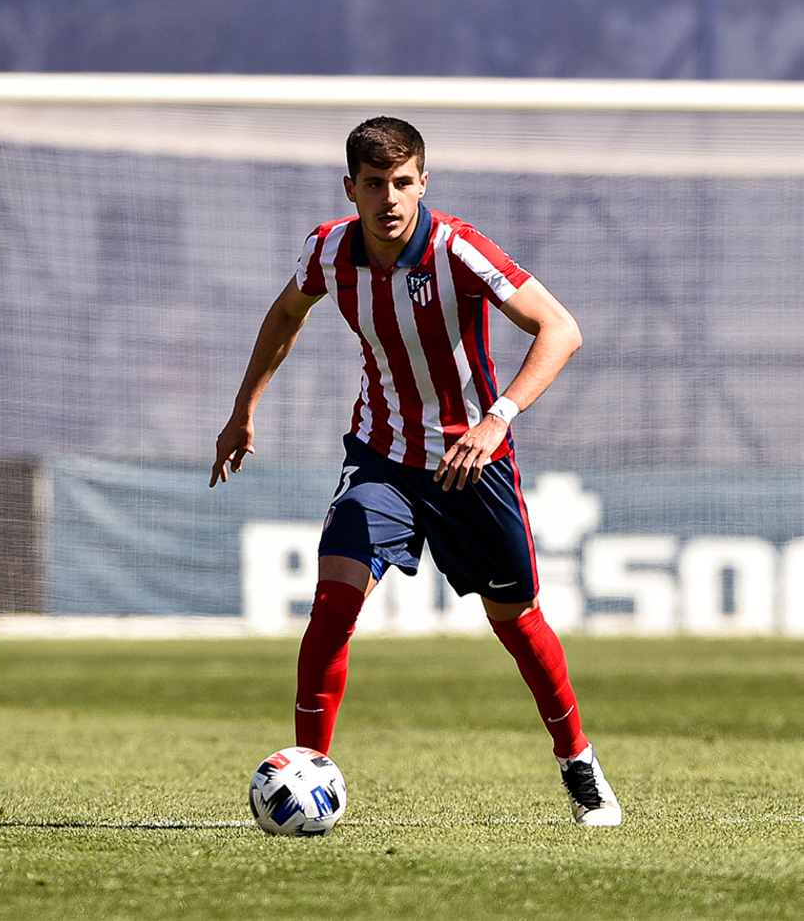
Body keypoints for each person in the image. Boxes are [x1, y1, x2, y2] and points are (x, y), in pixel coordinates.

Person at [210, 117, 622, 826]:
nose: (390, 198)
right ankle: (313, 774)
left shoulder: (457, 249)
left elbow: (562, 328)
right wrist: (244, 407)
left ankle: (578, 761)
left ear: (422, 183)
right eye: (374, 184)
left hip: (472, 462)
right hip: (381, 458)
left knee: (517, 622)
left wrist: (498, 418)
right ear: (352, 189)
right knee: (332, 607)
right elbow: (285, 314)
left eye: (403, 182)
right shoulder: (327, 251)